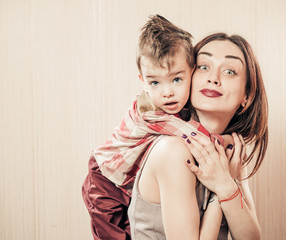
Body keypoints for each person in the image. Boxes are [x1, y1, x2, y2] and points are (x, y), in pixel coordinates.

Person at [82, 15, 229, 240]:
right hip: (104, 181)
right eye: (155, 83)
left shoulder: (175, 108)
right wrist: (224, 142)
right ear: (142, 81)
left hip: (125, 180)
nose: (167, 92)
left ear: (192, 71)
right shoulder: (151, 112)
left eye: (176, 80)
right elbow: (195, 137)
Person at [128, 33, 268, 240]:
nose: (213, 78)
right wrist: (222, 185)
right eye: (203, 67)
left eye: (229, 71)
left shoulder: (230, 149)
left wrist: (226, 185)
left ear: (246, 96)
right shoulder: (173, 151)